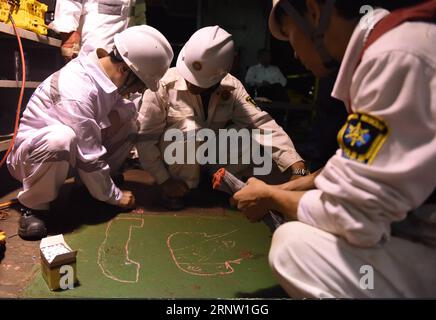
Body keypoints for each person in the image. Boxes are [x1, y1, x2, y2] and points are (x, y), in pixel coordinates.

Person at [233, 0, 436, 298]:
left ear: (313, 12)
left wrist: (270, 197)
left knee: (292, 246)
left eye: (290, 36)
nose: (293, 52)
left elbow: (352, 217)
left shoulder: (392, 57)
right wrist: (301, 183)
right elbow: (371, 160)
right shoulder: (400, 43)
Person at [7, 25, 174, 240]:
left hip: (67, 154)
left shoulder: (103, 76)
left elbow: (113, 123)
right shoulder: (77, 89)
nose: (140, 91)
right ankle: (35, 205)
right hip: (29, 159)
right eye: (141, 83)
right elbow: (89, 155)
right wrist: (114, 197)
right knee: (62, 138)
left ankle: (89, 187)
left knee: (129, 120)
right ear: (124, 69)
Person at [137, 26, 307, 210]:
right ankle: (181, 189)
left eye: (197, 81)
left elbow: (261, 124)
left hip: (207, 155)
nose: (189, 81)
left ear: (219, 77)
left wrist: (297, 165)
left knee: (248, 140)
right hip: (172, 162)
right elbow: (144, 138)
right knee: (190, 130)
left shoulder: (232, 87)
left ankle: (221, 182)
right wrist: (164, 180)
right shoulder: (162, 85)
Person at [49, 0, 146, 61]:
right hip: (95, 39)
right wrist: (69, 39)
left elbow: (139, 11)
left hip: (126, 44)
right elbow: (69, 2)